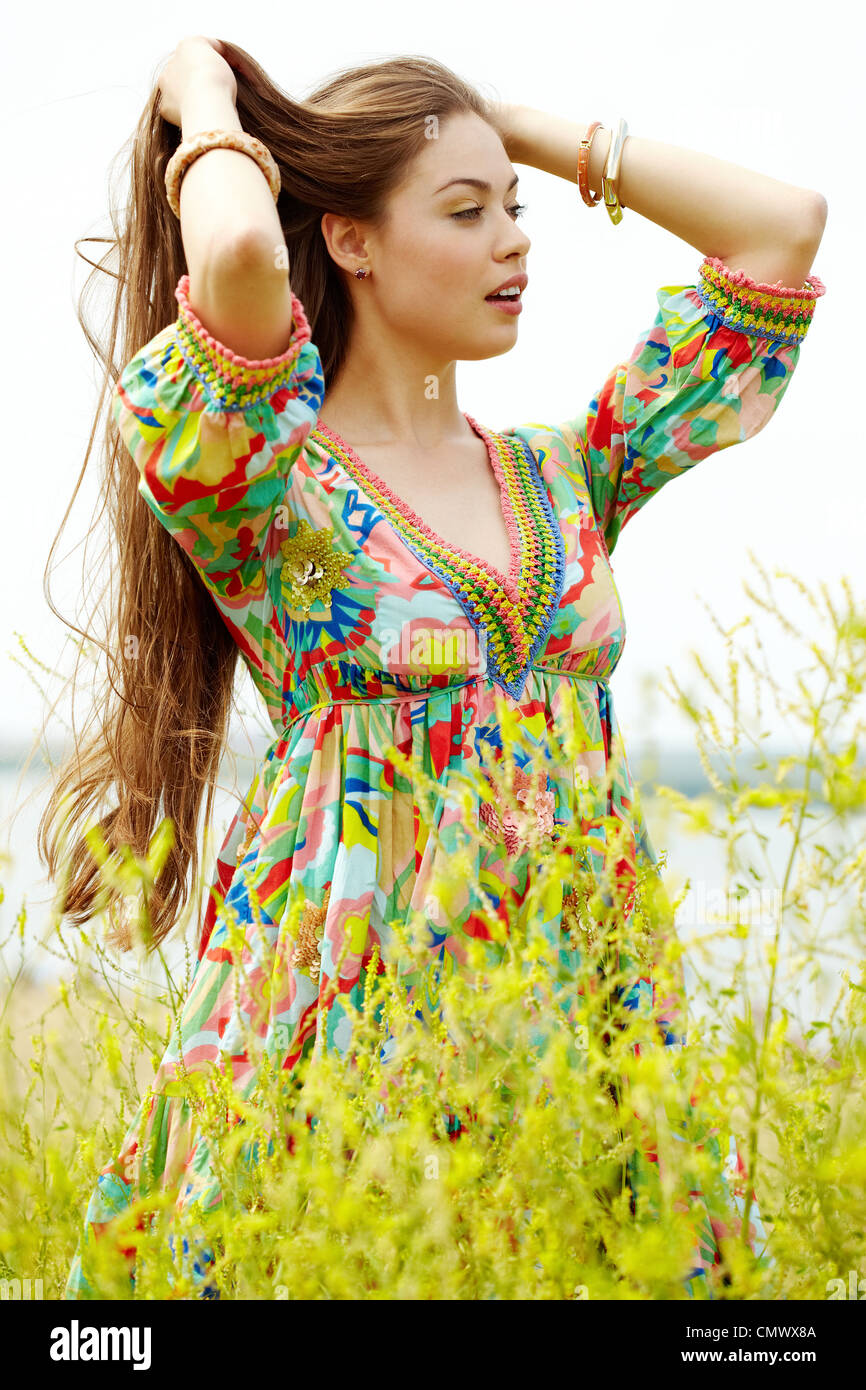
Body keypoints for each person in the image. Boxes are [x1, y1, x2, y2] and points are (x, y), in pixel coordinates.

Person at [45, 37, 826, 1299]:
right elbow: (242, 254)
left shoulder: (562, 474)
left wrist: (513, 132)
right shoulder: (268, 488)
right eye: (466, 213)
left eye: (512, 207)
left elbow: (781, 233)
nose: (514, 239)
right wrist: (200, 92)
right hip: (344, 1047)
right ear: (350, 241)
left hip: (583, 1031)